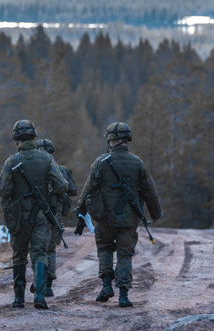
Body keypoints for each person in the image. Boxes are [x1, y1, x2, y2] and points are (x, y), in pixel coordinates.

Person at [74, 122, 162, 308]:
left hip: (104, 218)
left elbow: (88, 189)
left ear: (110, 140)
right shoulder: (137, 163)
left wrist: (80, 211)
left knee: (105, 248)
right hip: (129, 220)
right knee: (124, 255)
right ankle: (123, 295)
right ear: (127, 139)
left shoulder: (100, 162)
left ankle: (106, 285)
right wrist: (155, 214)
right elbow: (149, 191)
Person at [0, 120, 67, 310]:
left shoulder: (11, 161)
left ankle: (19, 299)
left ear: (16, 139)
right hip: (42, 216)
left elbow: (3, 190)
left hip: (19, 217)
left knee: (19, 254)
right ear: (34, 137)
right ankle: (40, 297)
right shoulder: (47, 159)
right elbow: (61, 186)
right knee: (39, 254)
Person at [29, 138, 77, 297]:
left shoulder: (30, 167)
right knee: (49, 249)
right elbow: (72, 190)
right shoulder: (61, 170)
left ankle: (38, 280)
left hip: (34, 213)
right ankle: (48, 286)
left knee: (36, 248)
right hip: (54, 214)